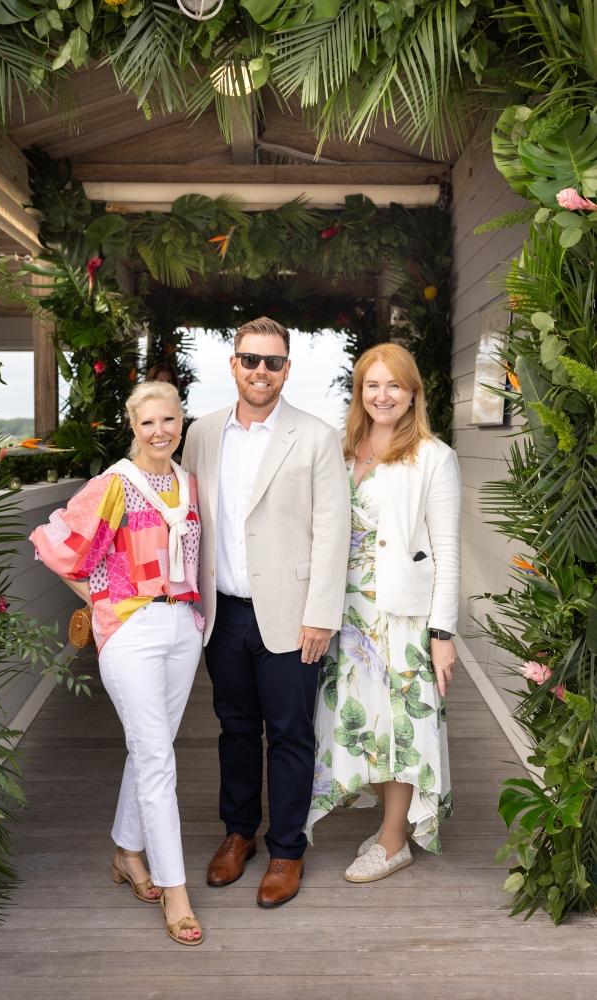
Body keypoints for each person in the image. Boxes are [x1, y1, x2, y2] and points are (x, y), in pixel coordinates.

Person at [182, 317, 351, 907]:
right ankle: (238, 834)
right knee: (234, 729)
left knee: (289, 733)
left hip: (292, 613)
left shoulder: (316, 436)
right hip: (222, 611)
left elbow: (333, 530)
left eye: (272, 362)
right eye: (250, 360)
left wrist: (321, 614)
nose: (261, 371)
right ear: (233, 364)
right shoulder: (202, 433)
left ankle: (286, 849)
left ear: (286, 369)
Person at [30, 381, 205, 946]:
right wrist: (102, 602)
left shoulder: (187, 484)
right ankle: (175, 891)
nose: (160, 431)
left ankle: (128, 854)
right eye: (148, 422)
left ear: (181, 422)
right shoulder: (115, 484)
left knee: (152, 749)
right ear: (133, 426)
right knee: (156, 757)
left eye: (169, 420)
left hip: (183, 627)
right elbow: (53, 542)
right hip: (132, 631)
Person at [306, 342, 461, 882]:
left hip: (400, 615)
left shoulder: (433, 456)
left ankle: (394, 839)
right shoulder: (341, 447)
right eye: (372, 385)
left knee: (400, 726)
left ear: (413, 392)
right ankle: (389, 823)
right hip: (344, 612)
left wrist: (443, 633)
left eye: (394, 384)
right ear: (360, 392)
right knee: (360, 723)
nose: (383, 395)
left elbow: (447, 552)